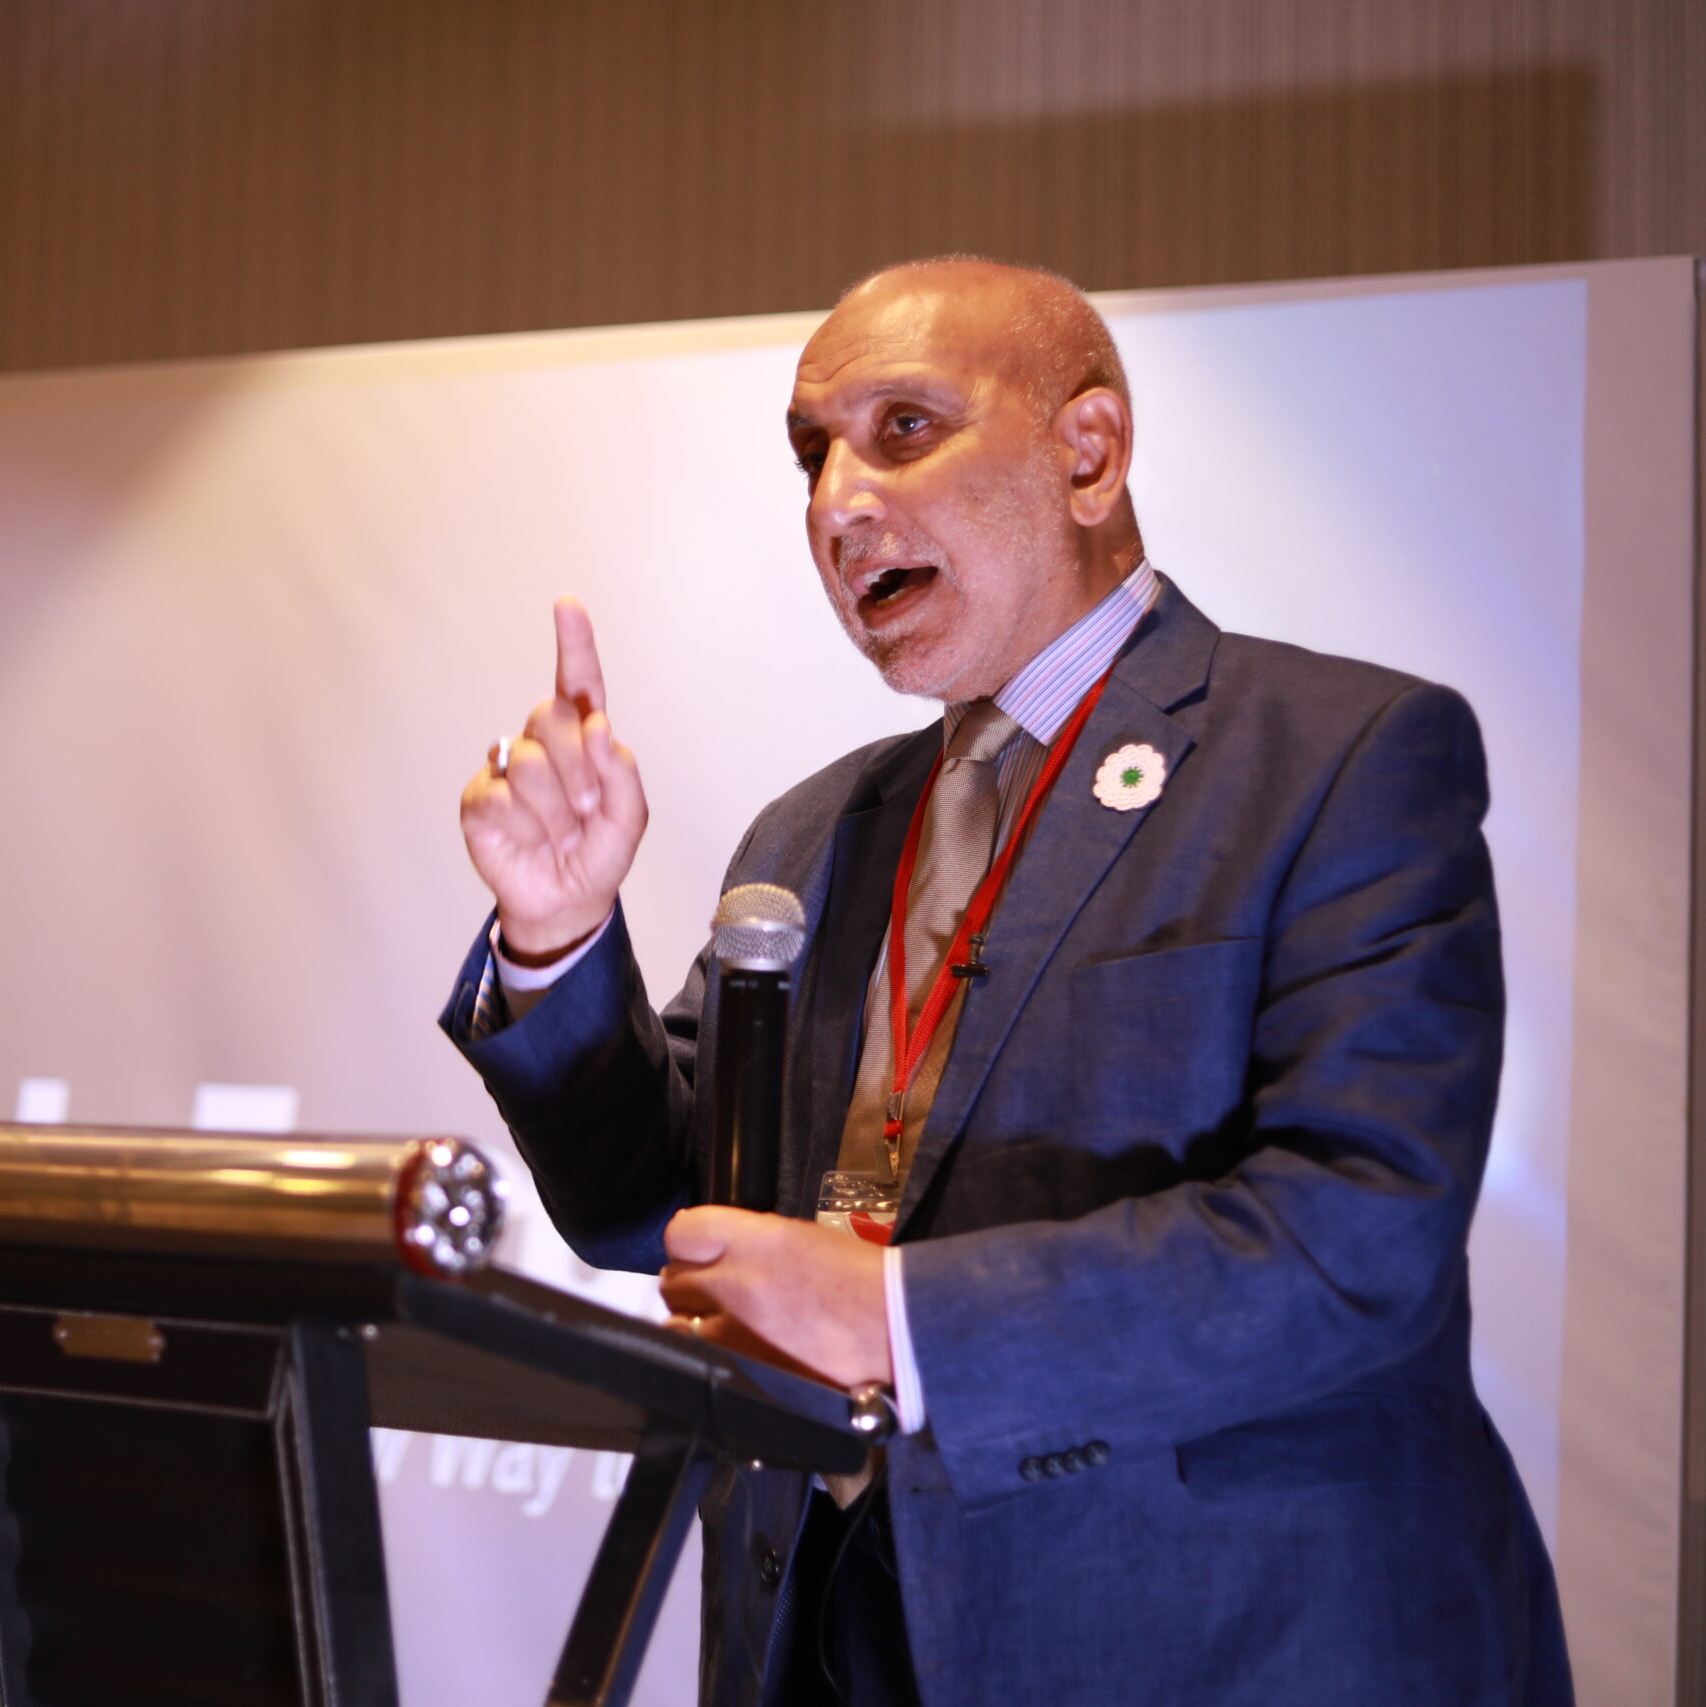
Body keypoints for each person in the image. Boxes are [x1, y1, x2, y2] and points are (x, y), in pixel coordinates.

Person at [438, 258, 1571, 1706]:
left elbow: (1359, 1237)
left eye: (904, 429)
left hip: (1213, 1650)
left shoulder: (1341, 758)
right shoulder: (815, 831)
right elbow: (651, 1204)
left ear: (1088, 453)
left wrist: (896, 1317)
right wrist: (557, 935)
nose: (837, 502)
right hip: (829, 1635)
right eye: (812, 453)